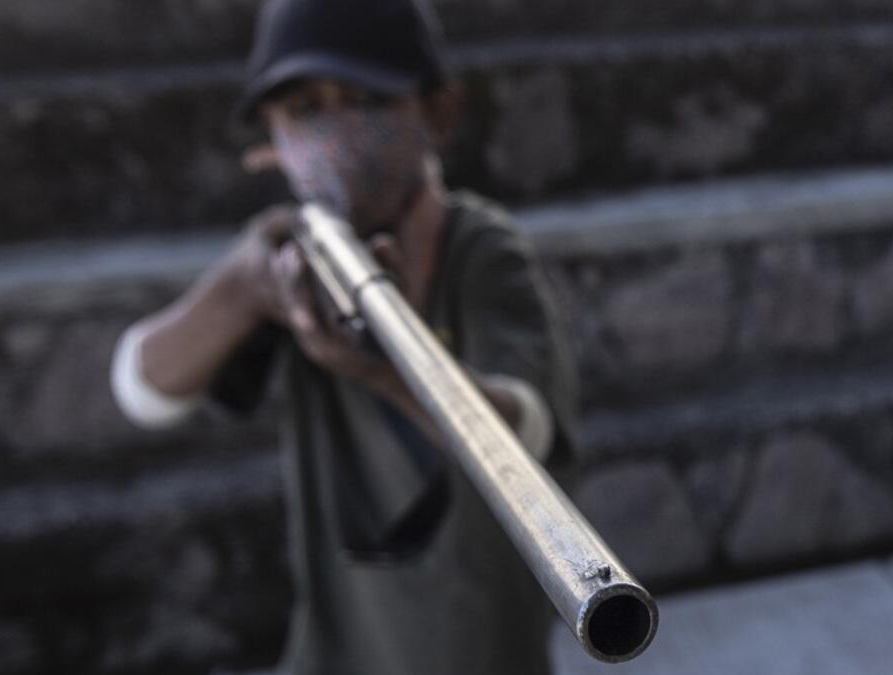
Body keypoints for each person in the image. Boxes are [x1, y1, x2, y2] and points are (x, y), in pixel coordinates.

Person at [110, 0, 577, 672]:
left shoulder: (481, 251)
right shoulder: (279, 262)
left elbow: (525, 435)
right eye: (305, 111)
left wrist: (383, 367)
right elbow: (144, 389)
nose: (336, 132)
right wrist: (244, 289)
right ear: (270, 141)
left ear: (439, 113)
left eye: (365, 101)